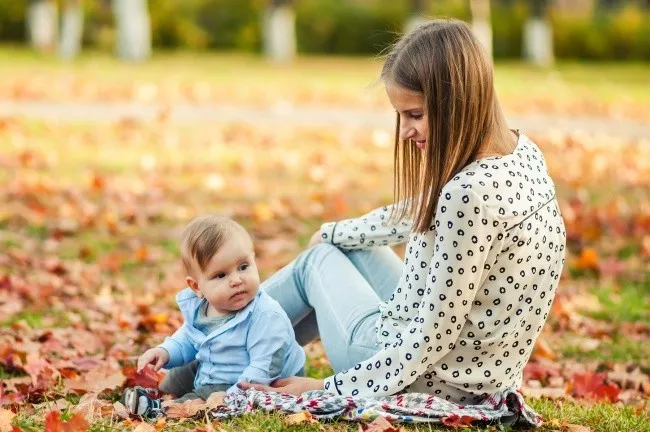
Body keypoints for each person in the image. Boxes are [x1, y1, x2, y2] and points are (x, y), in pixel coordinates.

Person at [237, 18, 567, 404]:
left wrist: (329, 388)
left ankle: (205, 356)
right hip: (478, 370)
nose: (406, 132)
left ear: (457, 103)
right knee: (339, 246)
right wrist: (335, 231)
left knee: (316, 262)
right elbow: (419, 212)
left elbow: (434, 333)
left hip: (426, 376)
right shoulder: (521, 153)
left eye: (415, 115)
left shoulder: (467, 194)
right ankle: (230, 355)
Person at [122, 215, 305, 417]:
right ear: (196, 287)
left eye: (243, 267)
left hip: (245, 378)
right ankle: (160, 393)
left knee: (205, 396)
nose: (236, 280)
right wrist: (165, 352)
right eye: (221, 275)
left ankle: (164, 410)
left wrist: (235, 396)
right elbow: (188, 337)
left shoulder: (265, 315)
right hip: (214, 364)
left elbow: (266, 365)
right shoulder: (203, 307)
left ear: (253, 259)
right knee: (176, 377)